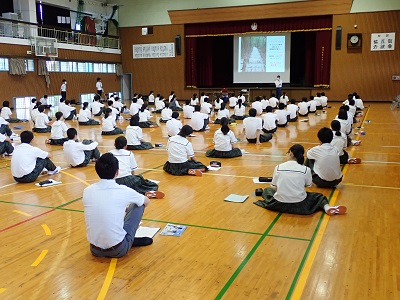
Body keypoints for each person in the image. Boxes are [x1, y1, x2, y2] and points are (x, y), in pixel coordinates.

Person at [82, 153, 153, 258]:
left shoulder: (87, 191)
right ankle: (129, 239)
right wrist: (129, 208)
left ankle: (125, 237)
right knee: (139, 204)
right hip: (118, 250)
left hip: (94, 249)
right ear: (117, 172)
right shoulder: (123, 190)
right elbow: (146, 201)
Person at [254, 144, 347, 216]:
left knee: (267, 190)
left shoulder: (278, 167)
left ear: (290, 153)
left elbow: (274, 187)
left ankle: (327, 208)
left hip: (280, 203)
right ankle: (327, 208)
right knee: (319, 197)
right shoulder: (305, 169)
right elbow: (308, 185)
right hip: (300, 203)